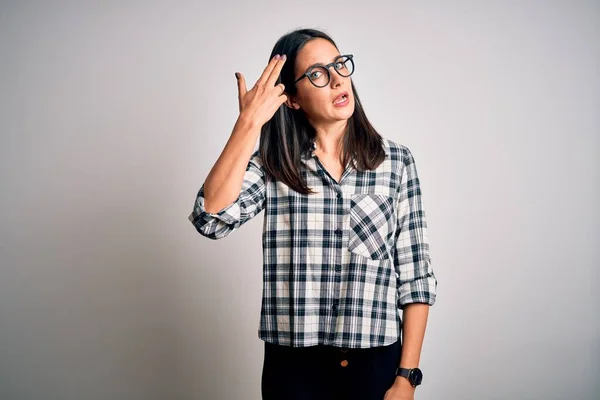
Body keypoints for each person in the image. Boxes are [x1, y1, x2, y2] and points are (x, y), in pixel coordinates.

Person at [188, 28, 438, 400]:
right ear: (291, 99)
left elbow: (415, 276)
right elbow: (211, 219)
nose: (338, 78)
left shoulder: (396, 162)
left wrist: (406, 377)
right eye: (318, 73)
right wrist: (248, 124)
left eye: (340, 64)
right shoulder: (274, 166)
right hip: (293, 372)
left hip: (375, 367)